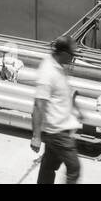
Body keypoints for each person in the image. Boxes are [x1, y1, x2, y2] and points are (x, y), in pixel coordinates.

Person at [31, 36, 81, 184]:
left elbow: (61, 93)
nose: (74, 58)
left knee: (49, 167)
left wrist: (76, 111)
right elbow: (39, 105)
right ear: (64, 53)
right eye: (73, 55)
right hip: (56, 131)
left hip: (60, 127)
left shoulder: (58, 66)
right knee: (74, 168)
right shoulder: (48, 72)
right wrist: (36, 136)